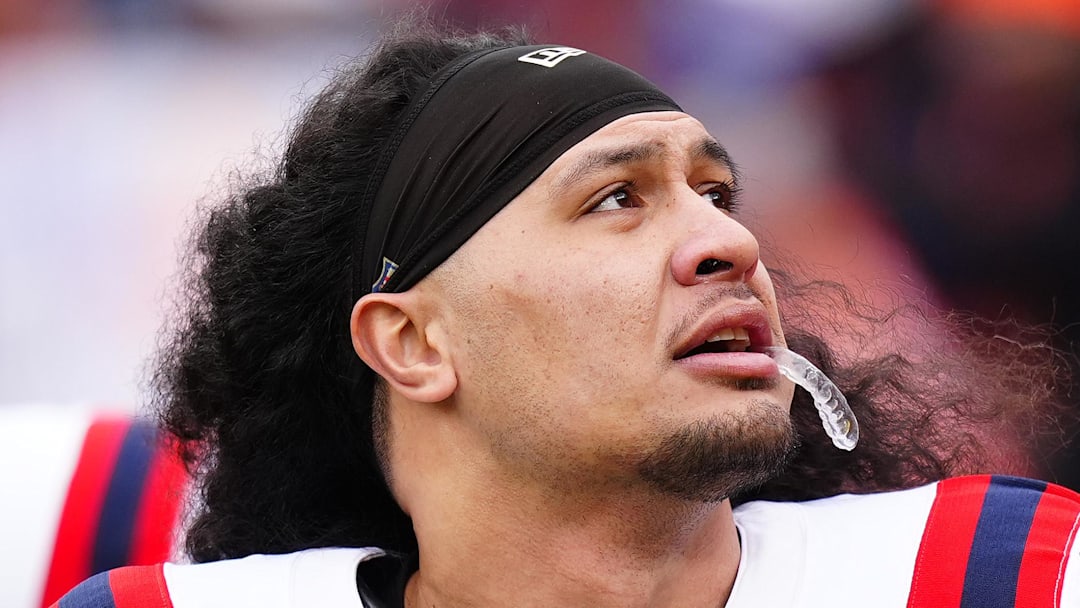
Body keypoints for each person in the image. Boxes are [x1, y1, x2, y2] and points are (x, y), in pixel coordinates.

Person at [54, 20, 1080, 608]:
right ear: (414, 341)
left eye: (715, 192)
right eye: (617, 199)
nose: (731, 245)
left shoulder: (1000, 576)